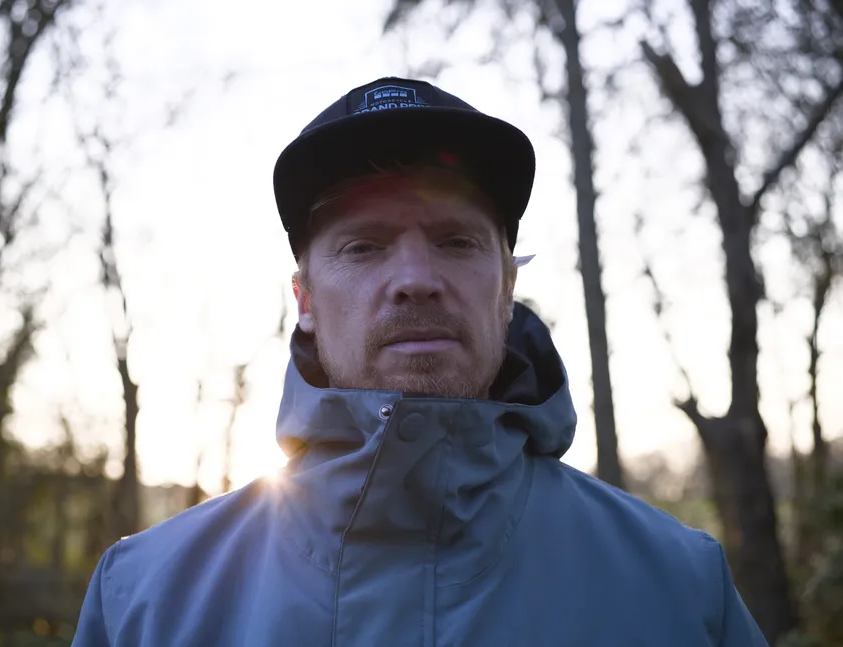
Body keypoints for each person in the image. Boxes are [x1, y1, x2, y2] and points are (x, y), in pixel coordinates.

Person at [71, 77, 768, 646]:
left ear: (507, 287)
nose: (415, 279)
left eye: (456, 241)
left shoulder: (682, 589)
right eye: (364, 246)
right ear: (305, 300)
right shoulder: (141, 600)